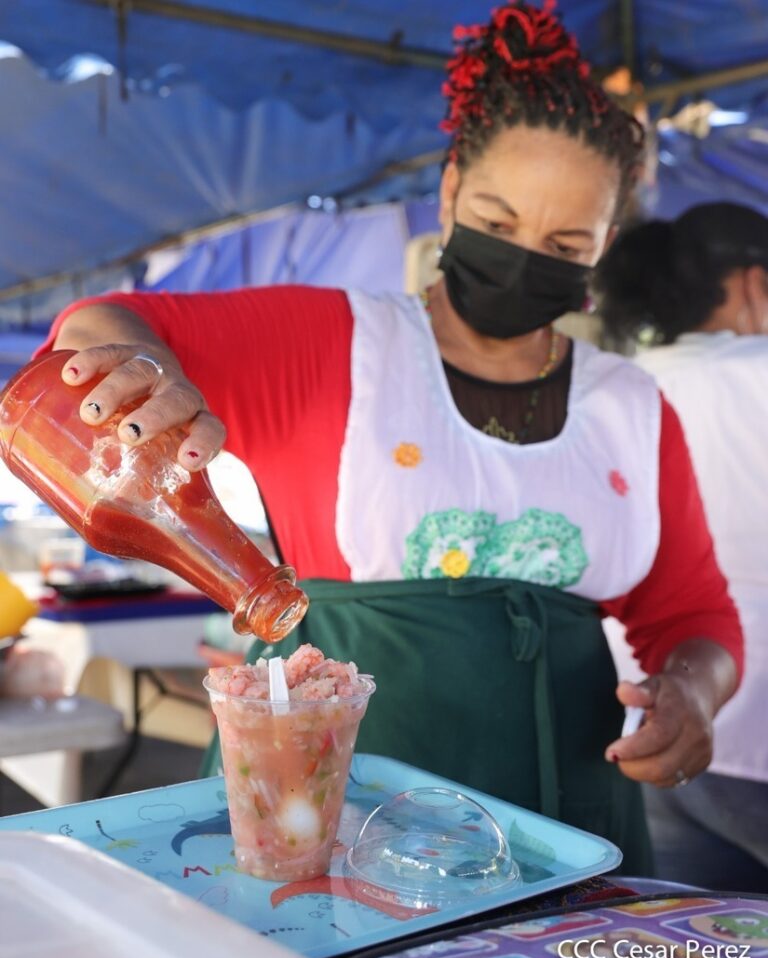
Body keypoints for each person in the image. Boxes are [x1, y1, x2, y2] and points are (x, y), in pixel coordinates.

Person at [37, 3, 742, 875]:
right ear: (448, 194)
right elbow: (107, 320)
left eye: (566, 240)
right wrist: (133, 364)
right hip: (331, 816)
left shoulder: (633, 406)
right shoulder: (331, 340)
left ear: (603, 247)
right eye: (497, 219)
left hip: (568, 824)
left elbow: (692, 616)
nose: (527, 254)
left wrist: (692, 697)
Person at [596, 202, 768, 889]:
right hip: (753, 727)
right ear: (753, 284)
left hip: (648, 721)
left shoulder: (616, 386)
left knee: (697, 943)